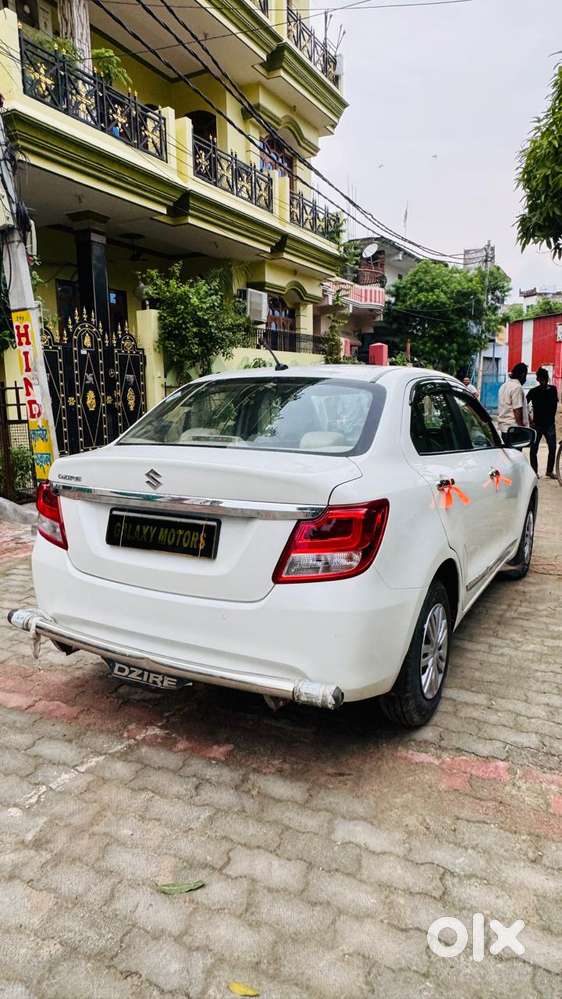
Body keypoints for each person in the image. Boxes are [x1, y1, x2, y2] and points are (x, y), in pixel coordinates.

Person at [527, 367, 558, 478]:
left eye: (543, 378)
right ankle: (534, 472)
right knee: (534, 449)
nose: (542, 381)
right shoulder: (533, 391)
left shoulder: (553, 390)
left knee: (552, 448)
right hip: (537, 425)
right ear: (539, 379)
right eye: (540, 379)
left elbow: (555, 405)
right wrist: (530, 420)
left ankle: (549, 471)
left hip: (549, 424)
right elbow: (524, 404)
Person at [496, 363, 529, 441]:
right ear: (523, 375)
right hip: (514, 430)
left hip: (504, 428)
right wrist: (522, 428)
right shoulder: (517, 387)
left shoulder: (504, 386)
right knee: (516, 453)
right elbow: (517, 410)